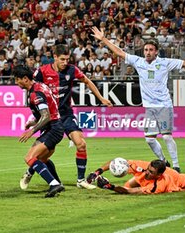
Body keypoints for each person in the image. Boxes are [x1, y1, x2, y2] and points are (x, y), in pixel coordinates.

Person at [92, 26, 185, 172]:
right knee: (149, 139)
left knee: (167, 137)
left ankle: (176, 165)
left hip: (164, 105)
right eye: (146, 50)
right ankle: (164, 161)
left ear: (156, 51)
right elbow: (119, 52)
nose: (148, 52)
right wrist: (104, 39)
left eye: (150, 50)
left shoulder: (164, 62)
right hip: (149, 108)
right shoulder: (139, 62)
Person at [21, 44, 113, 190]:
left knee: (81, 144)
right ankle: (30, 171)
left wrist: (101, 98)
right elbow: (34, 92)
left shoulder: (72, 69)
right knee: (43, 155)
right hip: (50, 118)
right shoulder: (42, 72)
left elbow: (87, 81)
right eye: (62, 59)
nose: (65, 62)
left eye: (67, 59)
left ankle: (81, 180)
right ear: (55, 57)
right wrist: (33, 119)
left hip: (66, 114)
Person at [13, 65, 65, 198]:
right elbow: (48, 113)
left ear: (25, 79)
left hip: (53, 128)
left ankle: (54, 184)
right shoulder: (40, 86)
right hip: (55, 127)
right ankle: (57, 182)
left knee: (29, 158)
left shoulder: (36, 93)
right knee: (43, 158)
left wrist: (32, 130)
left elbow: (46, 116)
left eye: (17, 79)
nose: (16, 82)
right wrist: (34, 122)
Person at [87, 159, 185, 194]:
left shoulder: (158, 184)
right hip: (164, 172)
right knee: (128, 183)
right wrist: (97, 172)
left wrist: (110, 187)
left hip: (175, 179)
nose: (147, 172)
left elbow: (131, 192)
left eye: (151, 172)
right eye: (148, 170)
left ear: (158, 175)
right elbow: (116, 161)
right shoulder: (144, 167)